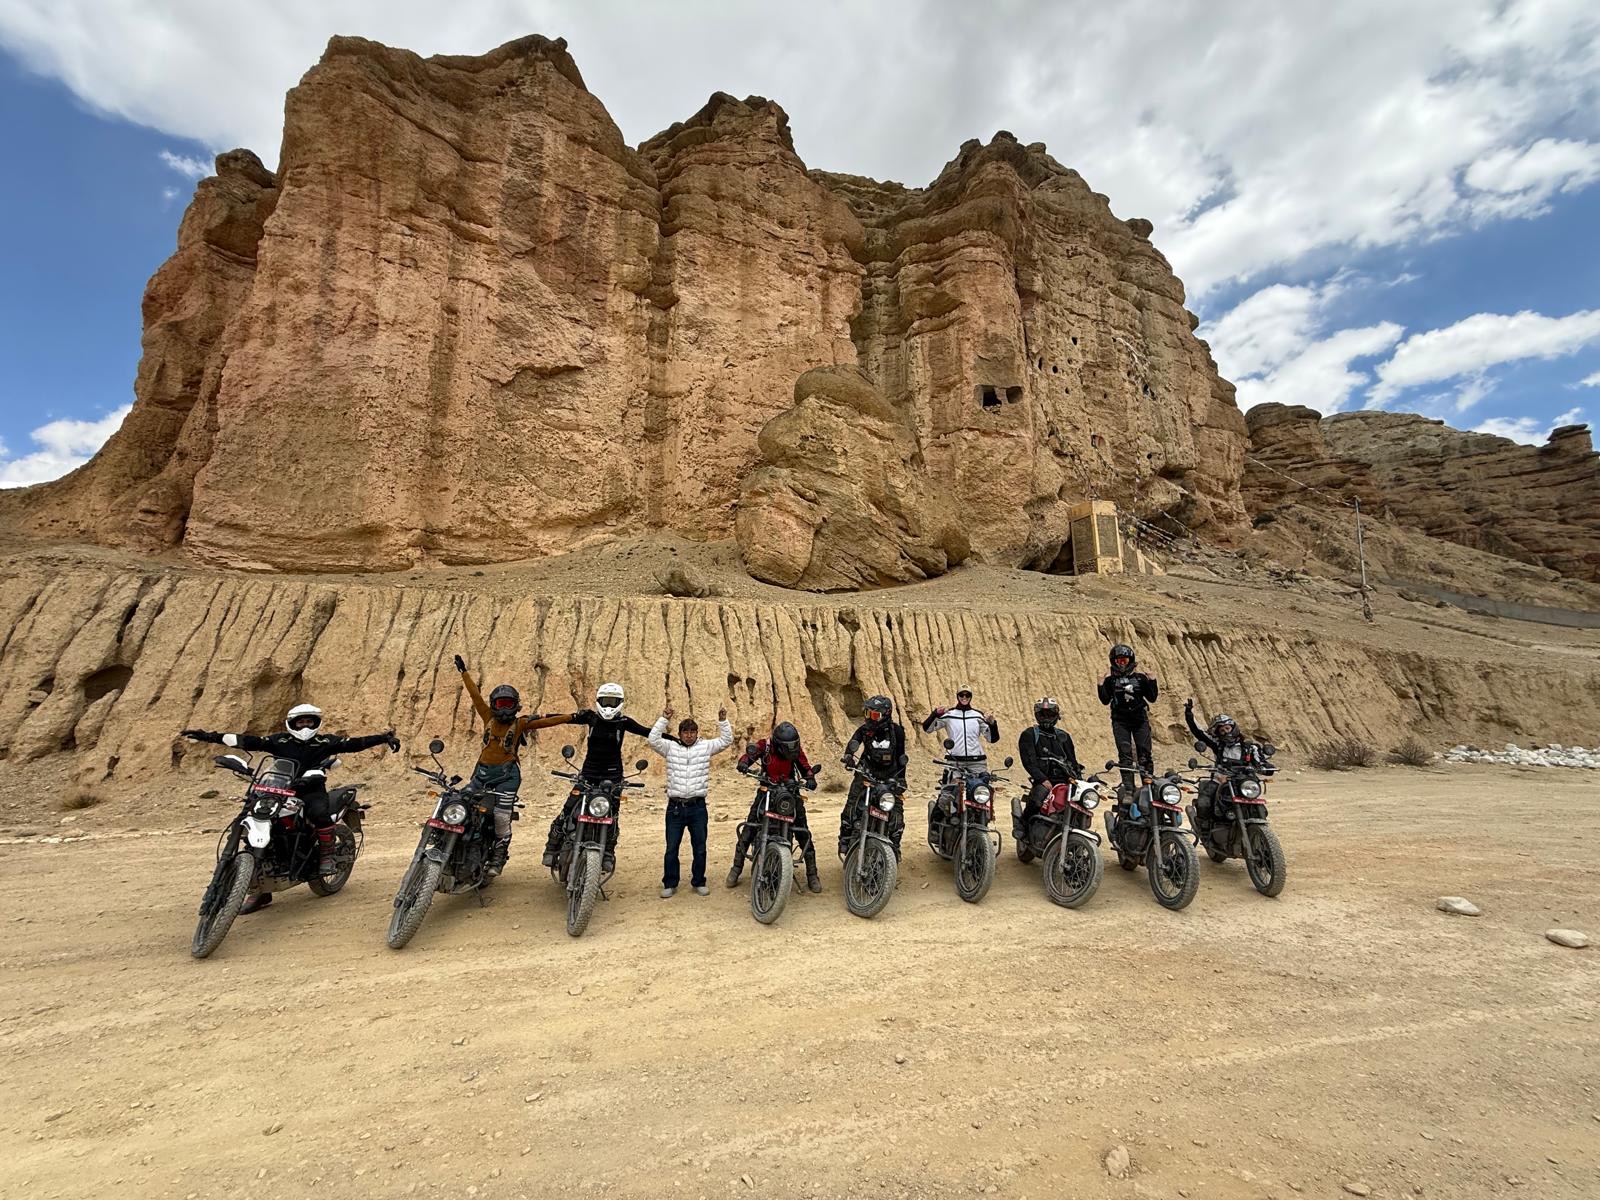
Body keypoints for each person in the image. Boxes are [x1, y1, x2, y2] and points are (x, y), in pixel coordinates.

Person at [181, 705, 398, 913]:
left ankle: (326, 855)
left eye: (309, 721)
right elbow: (246, 741)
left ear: (316, 723)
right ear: (292, 723)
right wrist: (208, 736)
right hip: (279, 788)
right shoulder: (279, 741)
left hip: (311, 790)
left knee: (318, 814)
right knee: (258, 819)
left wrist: (383, 738)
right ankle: (259, 889)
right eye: (300, 722)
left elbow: (354, 744)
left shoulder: (325, 741)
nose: (305, 726)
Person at [453, 654, 570, 876]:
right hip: (481, 774)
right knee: (460, 804)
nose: (505, 709)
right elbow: (474, 694)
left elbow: (547, 721)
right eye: (501, 704)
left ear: (516, 706)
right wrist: (464, 672)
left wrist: (573, 716)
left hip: (507, 777)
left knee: (501, 816)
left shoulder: (521, 723)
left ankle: (498, 857)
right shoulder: (487, 716)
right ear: (493, 705)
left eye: (509, 704)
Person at [541, 682, 652, 874]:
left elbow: (647, 732)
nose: (608, 706)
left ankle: (608, 853)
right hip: (588, 774)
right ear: (598, 700)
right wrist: (541, 717)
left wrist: (676, 740)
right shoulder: (590, 717)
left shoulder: (624, 722)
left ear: (620, 702)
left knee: (612, 816)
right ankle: (551, 848)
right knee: (568, 809)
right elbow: (565, 718)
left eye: (613, 702)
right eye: (605, 701)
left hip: (613, 778)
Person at [647, 704, 735, 897]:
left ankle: (699, 881)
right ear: (679, 734)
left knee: (700, 848)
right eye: (685, 732)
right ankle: (670, 883)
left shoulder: (705, 747)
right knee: (671, 849)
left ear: (697, 733)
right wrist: (664, 718)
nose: (689, 736)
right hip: (675, 807)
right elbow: (653, 739)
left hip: (697, 807)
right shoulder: (670, 747)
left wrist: (723, 721)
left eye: (692, 732)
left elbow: (726, 740)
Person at [729, 721, 820, 892]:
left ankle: (812, 874)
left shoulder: (795, 750)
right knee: (750, 827)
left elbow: (804, 765)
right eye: (788, 746)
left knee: (802, 830)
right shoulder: (765, 746)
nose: (791, 749)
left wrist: (810, 778)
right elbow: (750, 755)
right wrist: (744, 763)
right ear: (779, 744)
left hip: (790, 792)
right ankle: (736, 868)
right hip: (767, 791)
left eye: (793, 745)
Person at [838, 694, 907, 860]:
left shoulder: (897, 732)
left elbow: (901, 756)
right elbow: (853, 743)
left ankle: (895, 847)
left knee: (897, 814)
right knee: (851, 807)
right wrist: (849, 756)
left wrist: (901, 779)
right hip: (866, 773)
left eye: (874, 715)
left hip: (890, 776)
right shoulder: (864, 730)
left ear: (885, 715)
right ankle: (845, 839)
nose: (869, 718)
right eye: (867, 713)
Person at [1185, 698, 1273, 829]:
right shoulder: (1218, 745)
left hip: (1244, 781)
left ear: (1233, 727)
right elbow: (1199, 732)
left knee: (1258, 803)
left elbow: (1260, 762)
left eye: (1227, 728)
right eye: (1222, 731)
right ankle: (1204, 827)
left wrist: (1266, 768)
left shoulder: (1250, 747)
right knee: (1205, 799)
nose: (1226, 732)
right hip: (1222, 780)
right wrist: (1189, 714)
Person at [922, 686, 999, 813]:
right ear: (957, 696)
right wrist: (935, 714)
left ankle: (982, 818)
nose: (964, 697)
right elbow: (928, 728)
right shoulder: (949, 715)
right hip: (955, 761)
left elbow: (992, 739)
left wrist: (992, 724)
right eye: (961, 695)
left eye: (967, 695)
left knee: (982, 791)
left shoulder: (977, 715)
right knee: (949, 793)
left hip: (977, 761)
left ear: (970, 697)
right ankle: (937, 819)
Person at [1015, 696, 1083, 840]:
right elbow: (1029, 762)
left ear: (1056, 715)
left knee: (1082, 801)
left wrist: (1079, 780)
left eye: (1050, 714)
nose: (1046, 717)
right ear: (1037, 715)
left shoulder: (1064, 736)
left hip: (1065, 779)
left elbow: (1072, 760)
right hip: (1045, 780)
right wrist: (1042, 779)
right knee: (1037, 799)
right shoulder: (1029, 734)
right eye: (1043, 714)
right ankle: (1023, 825)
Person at [1097, 643, 1158, 794]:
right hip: (1120, 721)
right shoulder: (1110, 681)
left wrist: (1152, 680)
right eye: (1118, 661)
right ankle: (1129, 789)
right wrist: (1100, 684)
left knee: (1144, 753)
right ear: (1113, 662)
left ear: (1130, 660)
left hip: (1140, 720)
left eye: (1124, 660)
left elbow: (1152, 697)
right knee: (1125, 755)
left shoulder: (1140, 678)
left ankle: (1148, 788)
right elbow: (1105, 700)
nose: (1121, 664)